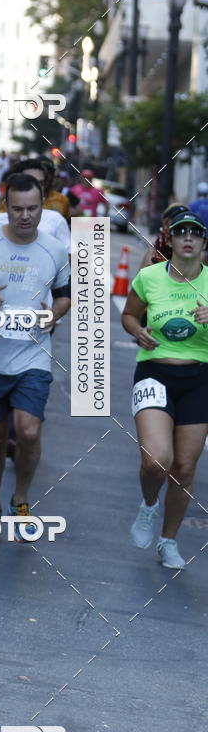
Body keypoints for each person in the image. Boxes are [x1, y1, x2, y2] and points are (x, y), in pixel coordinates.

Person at [0, 173, 71, 536]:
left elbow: (64, 294)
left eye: (33, 209)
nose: (25, 216)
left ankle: (21, 497)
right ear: (4, 207)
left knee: (28, 431)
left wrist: (54, 314)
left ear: (43, 207)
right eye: (17, 209)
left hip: (33, 354)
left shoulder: (55, 250)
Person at [124, 210, 208, 569]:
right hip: (154, 372)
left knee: (185, 468)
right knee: (157, 460)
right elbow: (128, 314)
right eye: (180, 232)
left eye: (195, 232)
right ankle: (148, 505)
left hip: (200, 379)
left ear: (204, 242)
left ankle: (169, 540)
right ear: (170, 240)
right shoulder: (149, 277)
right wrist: (136, 330)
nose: (187, 237)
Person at [0, 160, 71, 254]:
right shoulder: (0, 218)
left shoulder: (57, 217)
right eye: (29, 182)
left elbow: (69, 256)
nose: (35, 187)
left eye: (40, 183)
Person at [138, 203, 189, 270]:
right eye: (176, 219)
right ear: (166, 223)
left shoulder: (195, 251)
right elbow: (142, 277)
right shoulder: (154, 252)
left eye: (184, 219)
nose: (180, 222)